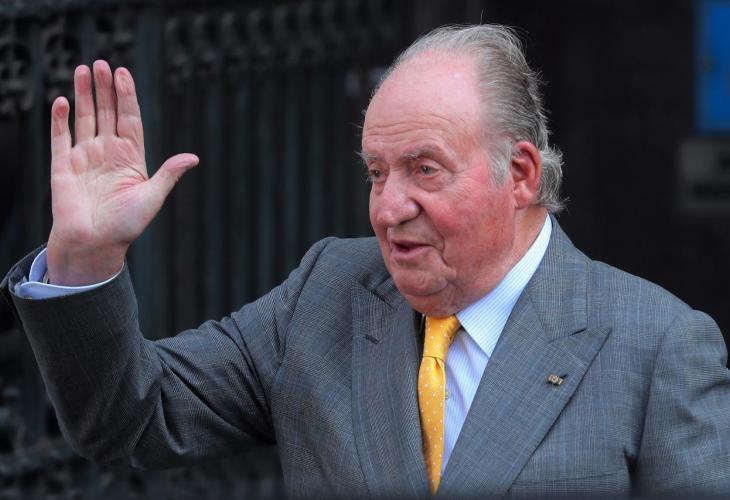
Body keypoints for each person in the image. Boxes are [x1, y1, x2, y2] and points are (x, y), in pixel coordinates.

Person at [3, 24, 730, 498]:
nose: (388, 208)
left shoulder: (656, 345)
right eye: (377, 173)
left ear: (519, 174)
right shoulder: (327, 292)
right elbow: (131, 417)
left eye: (424, 169)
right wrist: (86, 260)